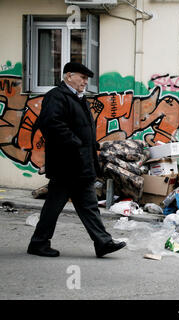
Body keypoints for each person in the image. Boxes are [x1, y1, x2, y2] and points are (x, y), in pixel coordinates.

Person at [27, 62, 126, 258]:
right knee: (54, 205)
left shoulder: (79, 99)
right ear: (68, 76)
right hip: (66, 164)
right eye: (82, 77)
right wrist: (76, 143)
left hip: (80, 163)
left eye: (86, 78)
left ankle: (102, 242)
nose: (85, 81)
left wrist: (92, 146)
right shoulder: (56, 96)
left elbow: (81, 127)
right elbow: (52, 125)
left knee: (87, 205)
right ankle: (39, 243)